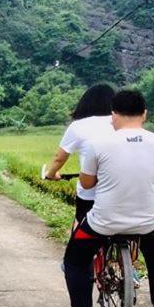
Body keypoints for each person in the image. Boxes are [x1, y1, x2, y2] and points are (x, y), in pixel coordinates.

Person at [51, 90, 154, 307]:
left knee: (75, 259)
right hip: (148, 223)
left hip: (103, 222)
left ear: (113, 115)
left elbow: (88, 184)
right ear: (144, 114)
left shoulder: (96, 145)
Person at [44, 84, 115, 223]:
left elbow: (59, 158)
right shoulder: (122, 124)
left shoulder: (79, 125)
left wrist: (51, 174)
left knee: (81, 232)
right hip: (125, 194)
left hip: (91, 193)